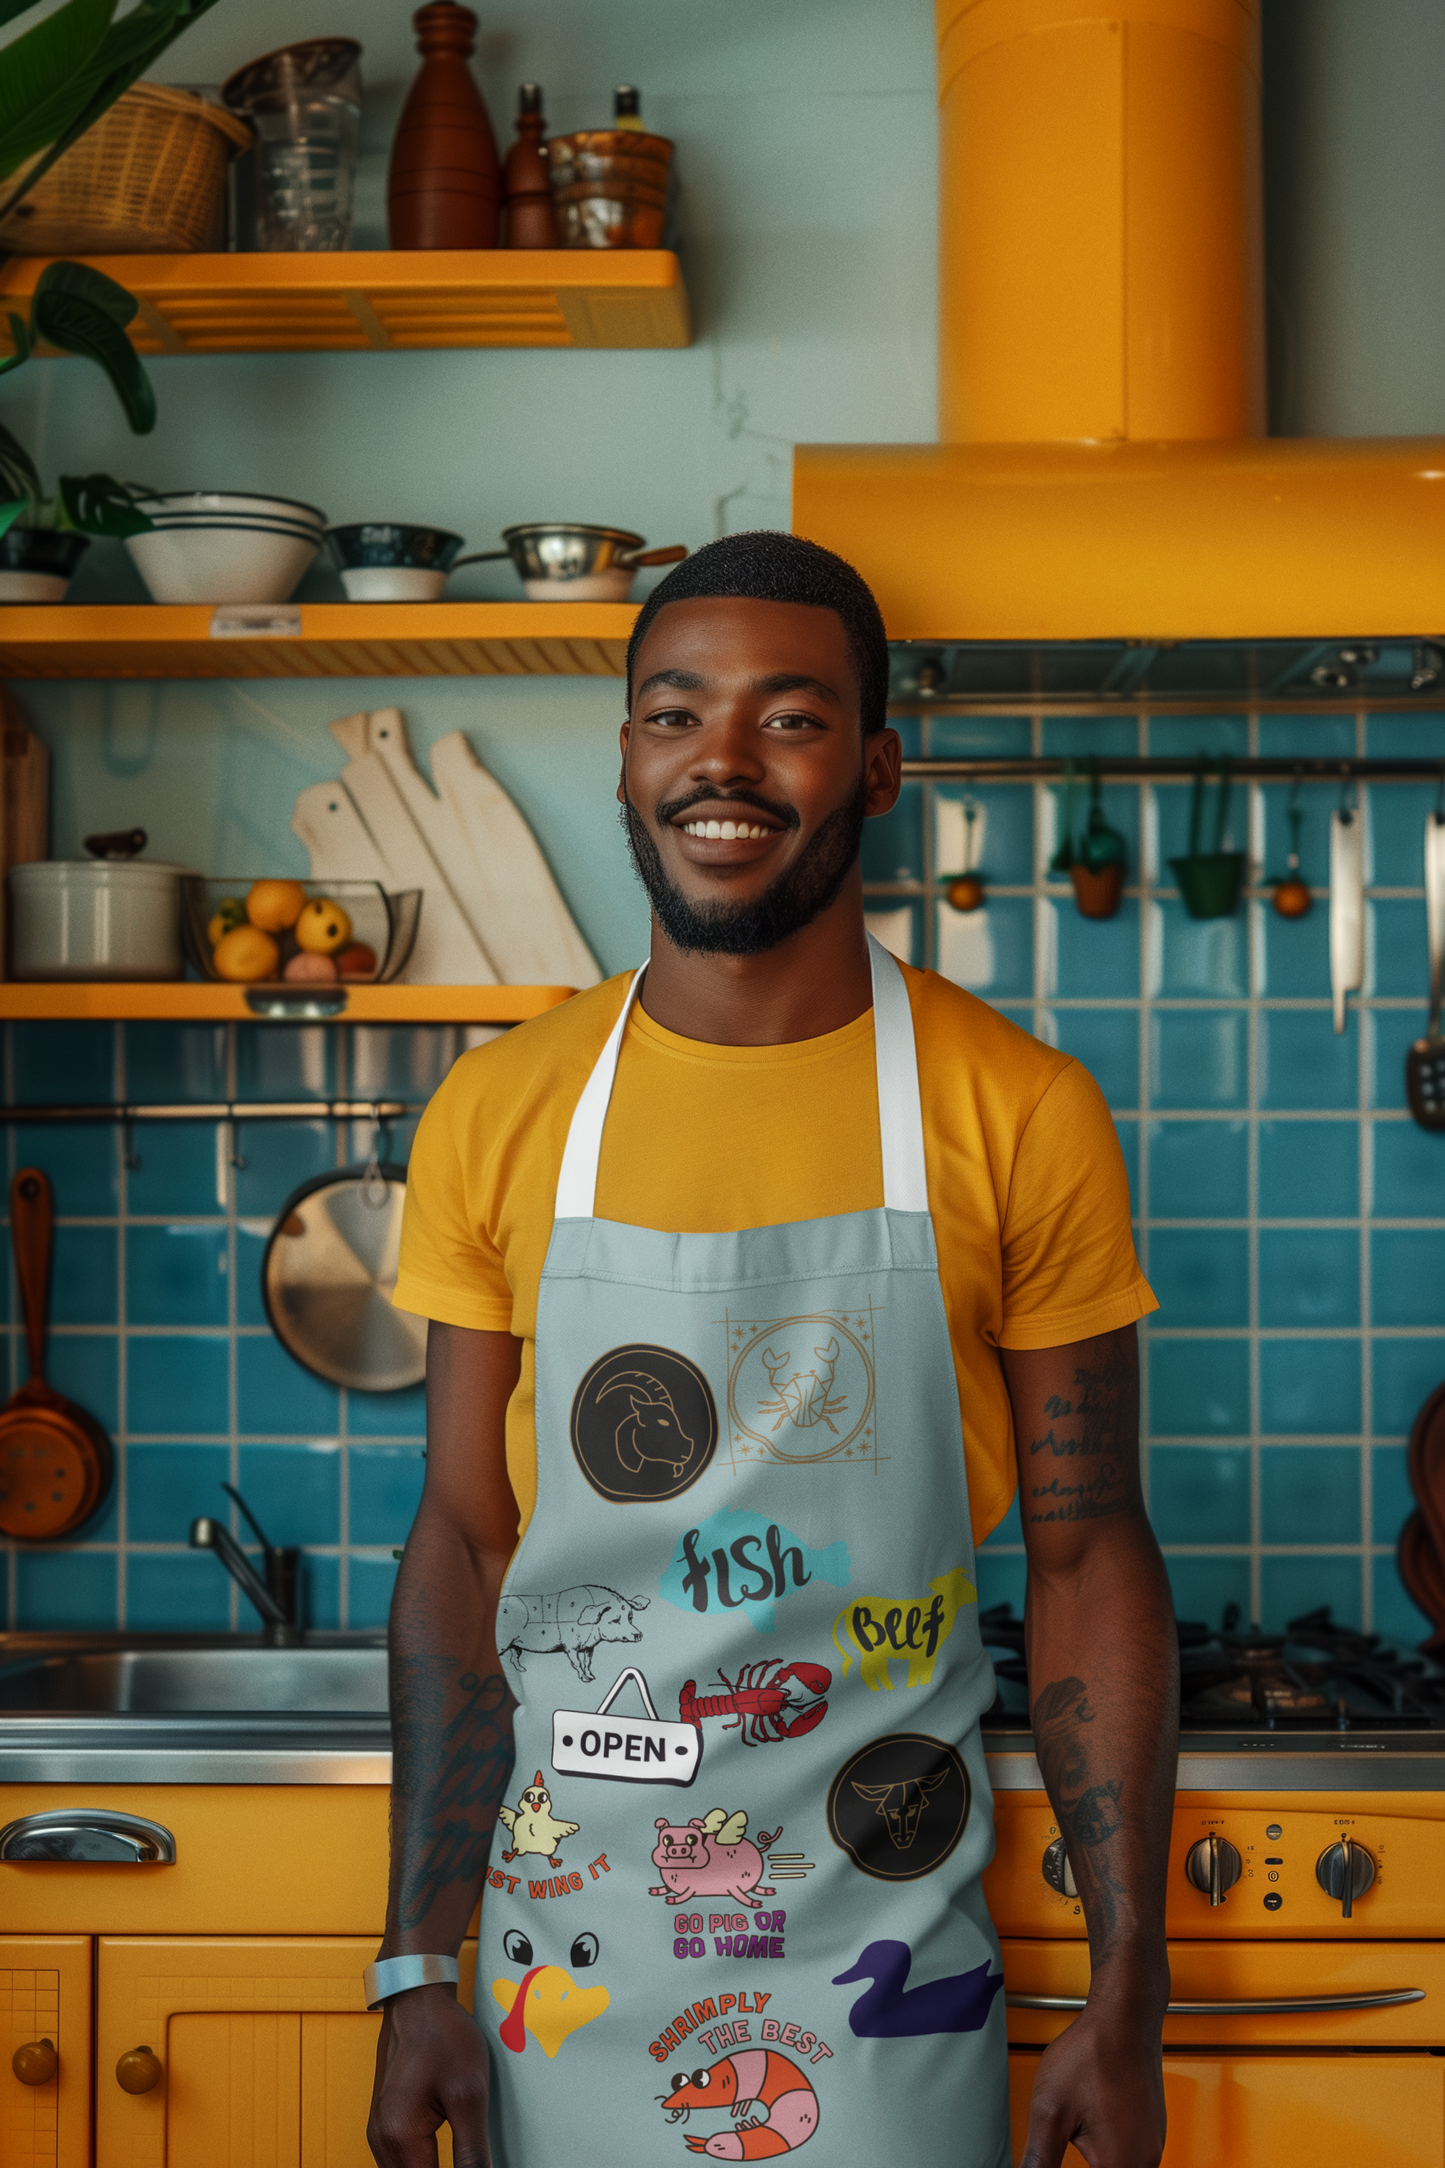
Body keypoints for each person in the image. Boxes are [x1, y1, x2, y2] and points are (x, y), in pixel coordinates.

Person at [367, 533, 1177, 2168]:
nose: (721, 763)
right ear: (625, 759)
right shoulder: (501, 1112)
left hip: (884, 1962)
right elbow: (465, 1539)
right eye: (676, 714)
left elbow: (1090, 1555)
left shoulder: (1017, 1110)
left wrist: (1127, 1993)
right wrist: (414, 1966)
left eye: (790, 718)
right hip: (563, 1968)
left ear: (876, 764)